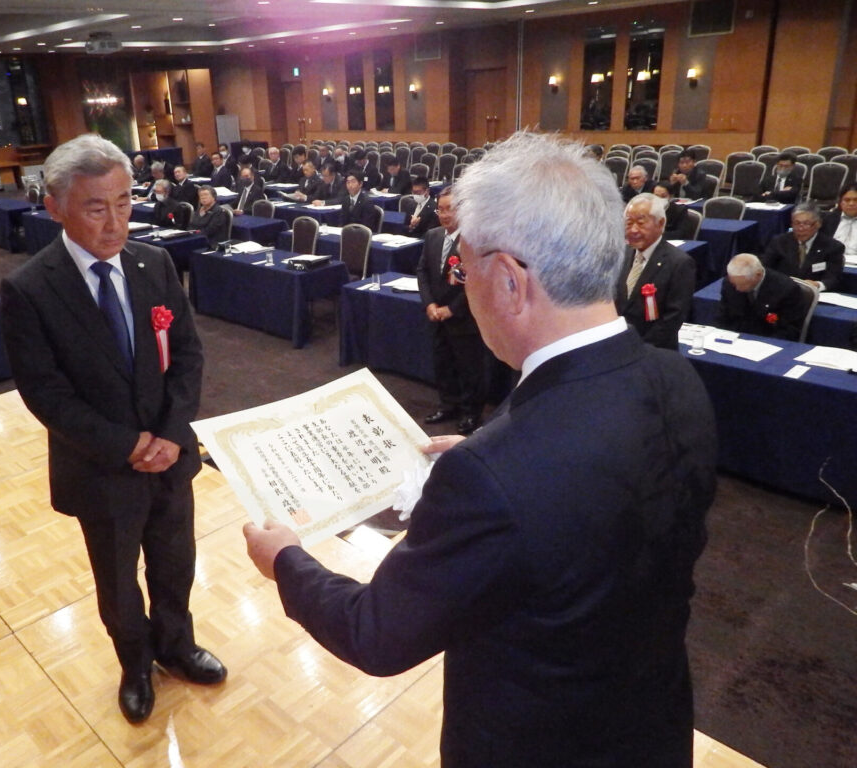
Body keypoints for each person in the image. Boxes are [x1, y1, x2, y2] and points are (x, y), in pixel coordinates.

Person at [243, 131, 717, 768]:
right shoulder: (677, 379)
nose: (461, 285)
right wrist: (493, 451)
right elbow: (601, 506)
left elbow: (376, 633)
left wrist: (285, 561)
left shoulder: (493, 474)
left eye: (464, 270)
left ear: (509, 282)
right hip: (651, 725)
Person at [0, 134, 226, 726]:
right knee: (119, 584)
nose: (115, 222)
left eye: (124, 202)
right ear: (54, 206)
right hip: (101, 469)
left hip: (170, 458)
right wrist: (129, 445)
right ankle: (136, 665)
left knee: (175, 563)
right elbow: (45, 393)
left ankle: (177, 646)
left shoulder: (154, 264)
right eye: (96, 208)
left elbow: (188, 355)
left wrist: (171, 435)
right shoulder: (30, 288)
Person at [416, 187, 487, 435]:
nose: (445, 215)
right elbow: (422, 272)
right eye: (440, 209)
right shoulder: (432, 235)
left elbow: (478, 282)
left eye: (450, 209)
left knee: (469, 368)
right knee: (443, 363)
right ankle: (448, 405)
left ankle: (471, 413)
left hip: (464, 318)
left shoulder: (473, 241)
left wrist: (452, 309)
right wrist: (430, 304)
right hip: (437, 315)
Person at [616, 193, 696, 350]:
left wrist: (641, 349)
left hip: (653, 350)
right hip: (619, 346)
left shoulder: (679, 263)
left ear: (660, 223)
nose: (633, 230)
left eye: (640, 223)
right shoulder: (623, 254)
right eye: (629, 223)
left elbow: (673, 317)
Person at [715, 253, 807, 341]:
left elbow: (790, 331)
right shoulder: (729, 284)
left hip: (769, 340)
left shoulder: (786, 289)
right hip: (735, 340)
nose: (737, 289)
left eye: (743, 284)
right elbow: (722, 318)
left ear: (758, 275)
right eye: (734, 284)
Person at [762, 202, 845, 291]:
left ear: (818, 224)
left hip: (816, 293)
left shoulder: (833, 247)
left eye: (806, 223)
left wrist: (817, 284)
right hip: (783, 291)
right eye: (796, 223)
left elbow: (833, 279)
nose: (800, 228)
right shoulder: (779, 242)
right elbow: (766, 270)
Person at [822, 183, 857, 261]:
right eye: (847, 200)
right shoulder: (827, 220)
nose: (851, 203)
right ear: (840, 202)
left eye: (856, 200)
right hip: (831, 263)